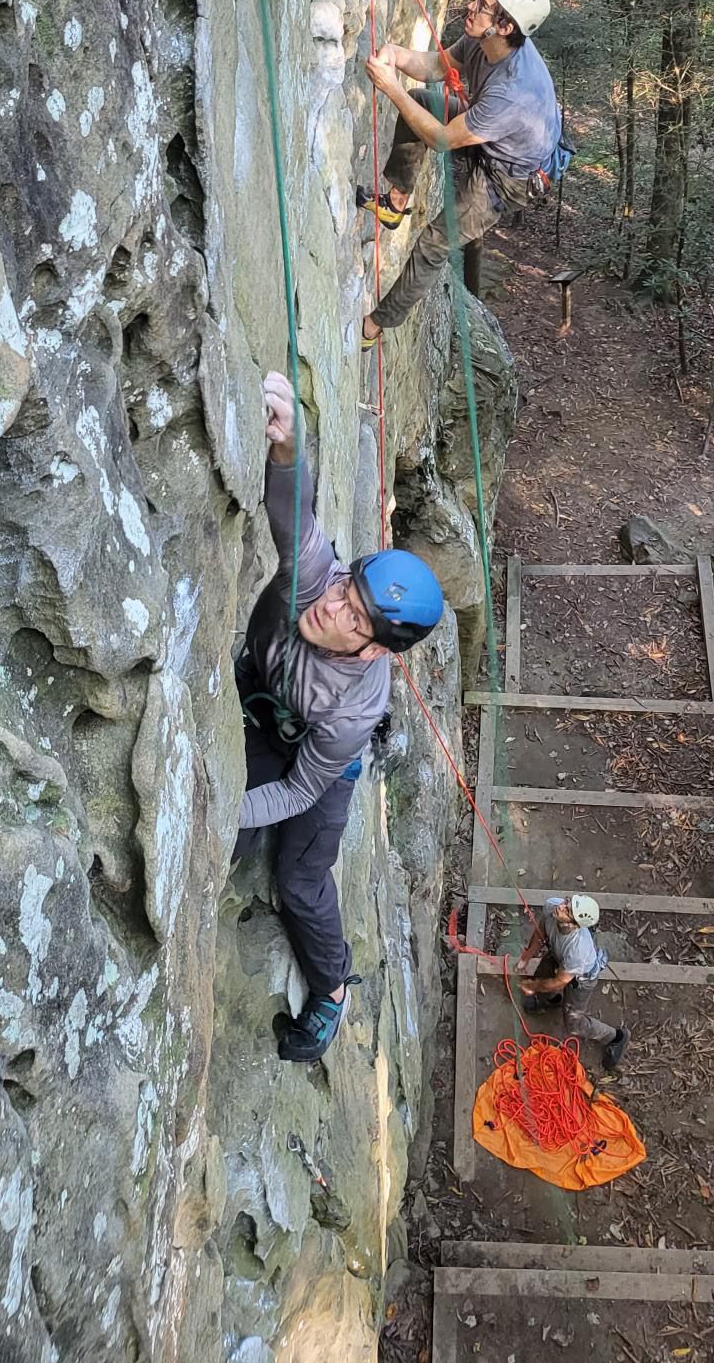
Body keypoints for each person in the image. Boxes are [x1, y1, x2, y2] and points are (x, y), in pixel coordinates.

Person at [235, 370, 445, 1063]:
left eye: (354, 615)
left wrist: (222, 814)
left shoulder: (356, 709)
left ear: (376, 646)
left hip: (321, 764)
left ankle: (331, 989)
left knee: (298, 880)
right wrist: (288, 444)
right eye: (348, 590)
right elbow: (294, 516)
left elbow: (298, 791)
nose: (332, 607)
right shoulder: (315, 576)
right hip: (262, 705)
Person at [359, 0, 567, 341]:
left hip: (506, 180)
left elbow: (440, 138)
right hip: (489, 137)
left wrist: (392, 89)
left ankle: (376, 325)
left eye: (483, 6)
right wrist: (397, 55)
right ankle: (395, 202)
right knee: (422, 101)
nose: (471, 7)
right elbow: (437, 66)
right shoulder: (482, 40)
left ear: (504, 27)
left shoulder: (512, 93)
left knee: (434, 242)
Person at [515, 893, 630, 1072]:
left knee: (574, 1023)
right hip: (558, 955)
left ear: (574, 924)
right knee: (543, 975)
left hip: (581, 978)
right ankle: (549, 1001)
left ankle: (615, 1037)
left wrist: (533, 986)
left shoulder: (578, 950)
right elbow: (541, 932)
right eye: (567, 902)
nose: (561, 906)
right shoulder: (552, 905)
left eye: (567, 910)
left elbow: (560, 982)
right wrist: (527, 956)